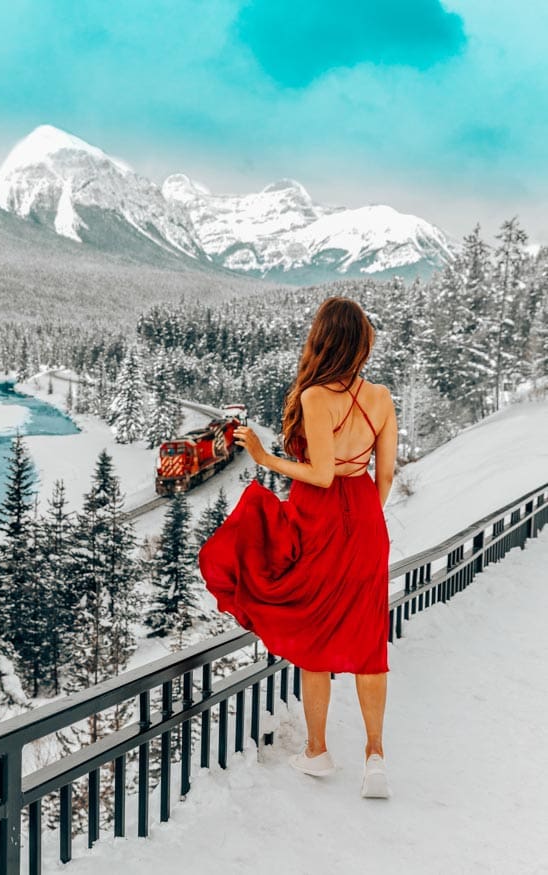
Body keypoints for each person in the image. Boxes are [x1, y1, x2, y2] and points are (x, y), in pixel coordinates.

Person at [198, 297, 397, 799]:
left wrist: (263, 456)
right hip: (367, 521)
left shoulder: (315, 396)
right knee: (370, 643)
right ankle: (375, 757)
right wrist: (362, 523)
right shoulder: (381, 397)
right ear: (362, 343)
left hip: (320, 515)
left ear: (323, 339)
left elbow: (323, 474)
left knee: (314, 633)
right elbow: (386, 473)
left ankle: (318, 751)